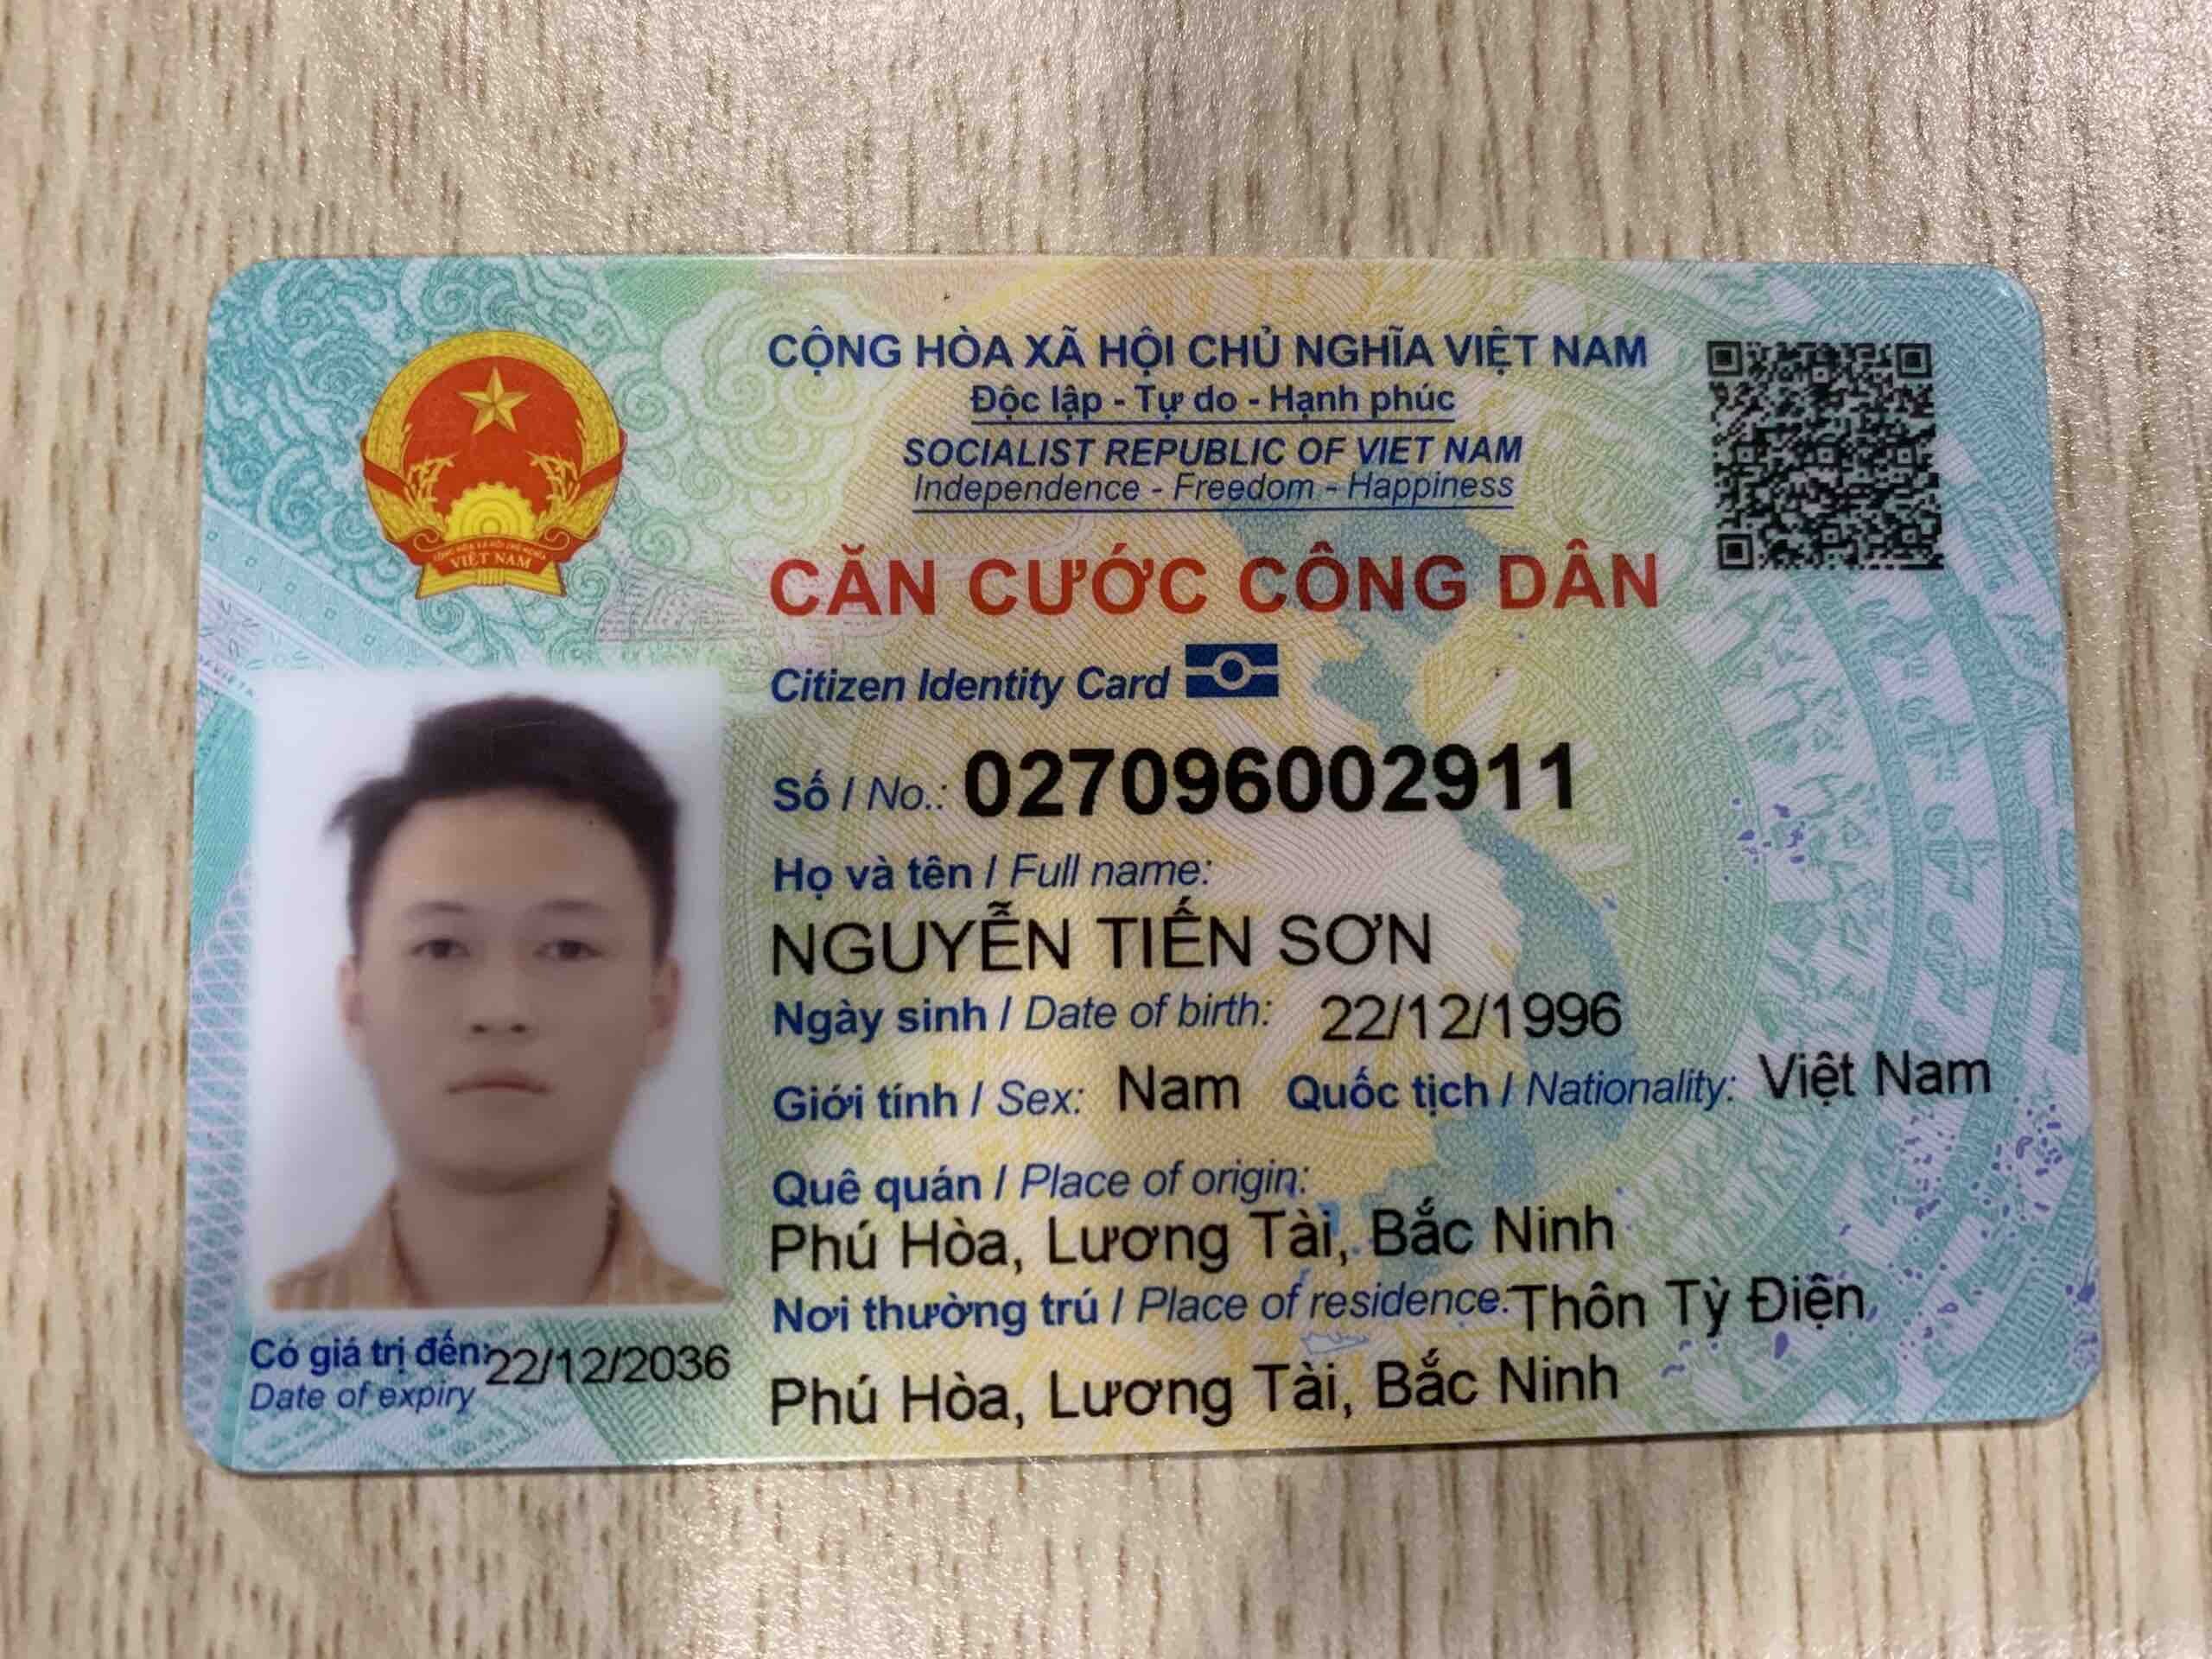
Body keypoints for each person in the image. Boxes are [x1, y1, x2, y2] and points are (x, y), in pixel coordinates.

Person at [267, 694, 721, 1308]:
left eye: (567, 948)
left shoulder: (753, 1351)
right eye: (441, 947)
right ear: (355, 1006)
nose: (501, 1011)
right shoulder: (263, 1328)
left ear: (660, 1009)